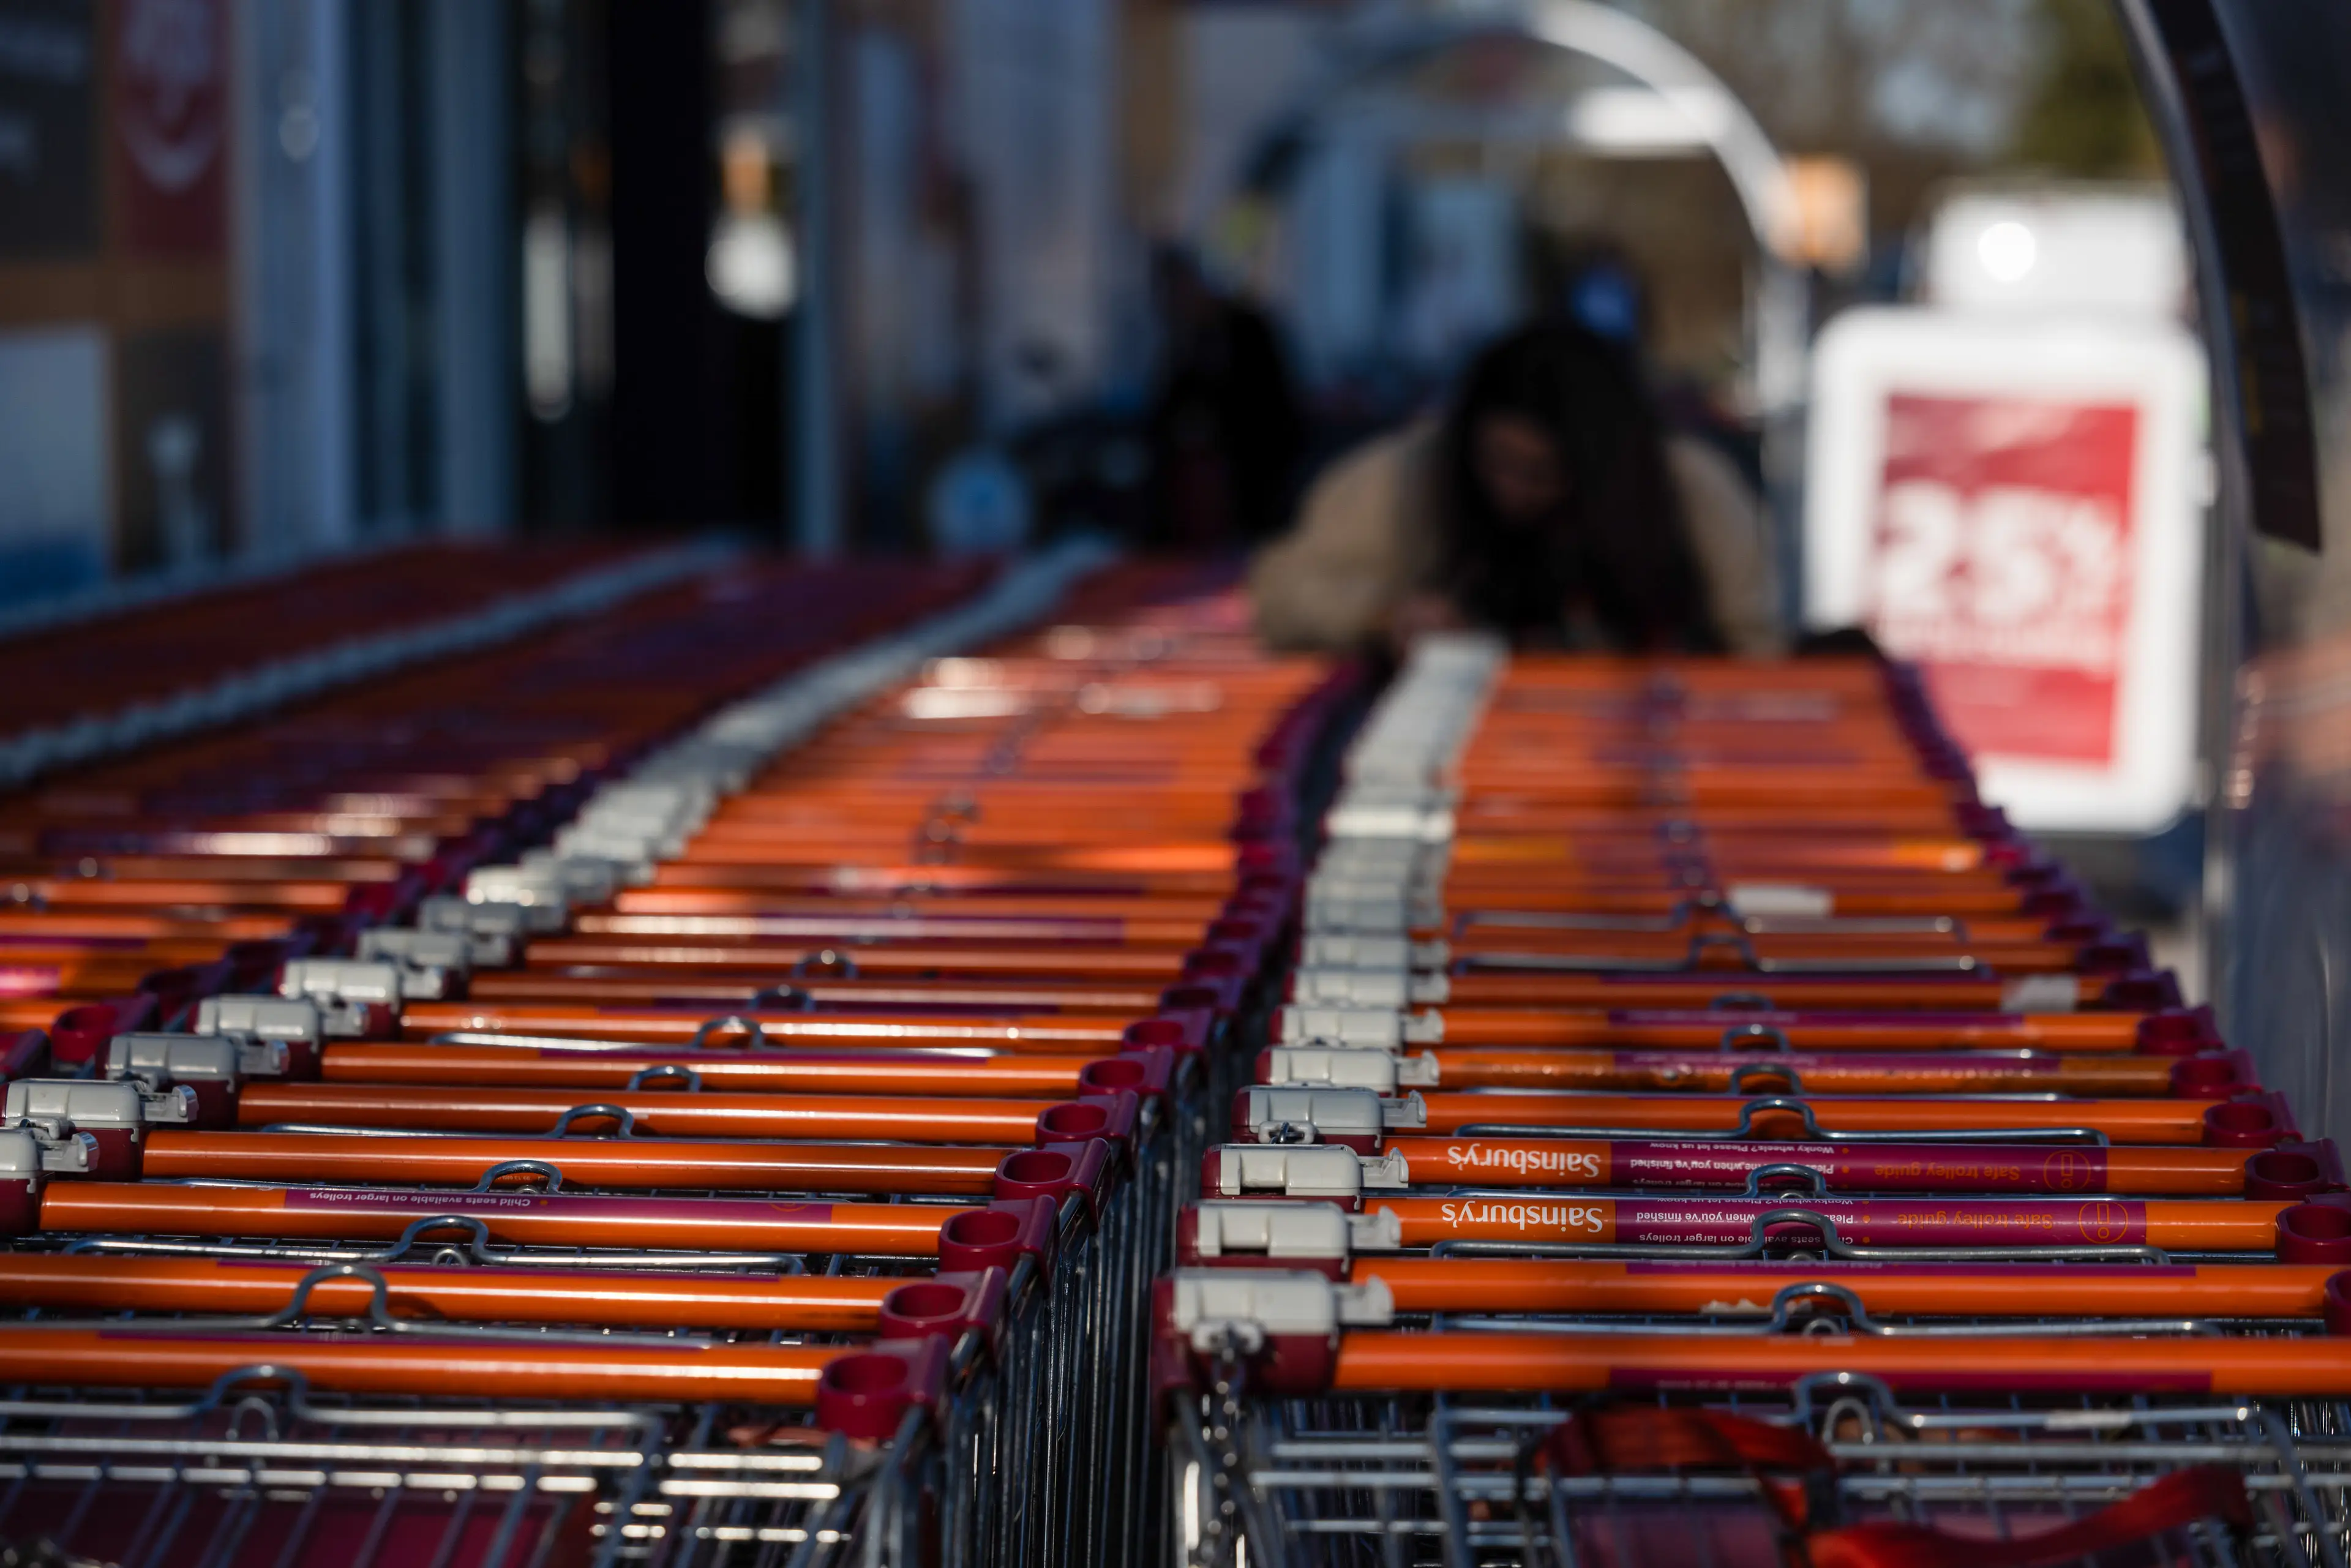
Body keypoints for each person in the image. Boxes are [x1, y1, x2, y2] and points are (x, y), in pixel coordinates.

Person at [1248, 323, 1784, 656]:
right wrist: (1384, 617)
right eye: (1499, 463)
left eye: (1541, 472)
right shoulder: (1405, 475)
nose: (1514, 490)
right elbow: (1281, 595)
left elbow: (1755, 643)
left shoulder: (1694, 486)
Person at [1146, 246, 1305, 549]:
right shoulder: (1184, 343)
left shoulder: (1248, 329)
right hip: (1207, 489)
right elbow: (1167, 411)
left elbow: (1273, 406)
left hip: (1257, 472)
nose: (1177, 303)